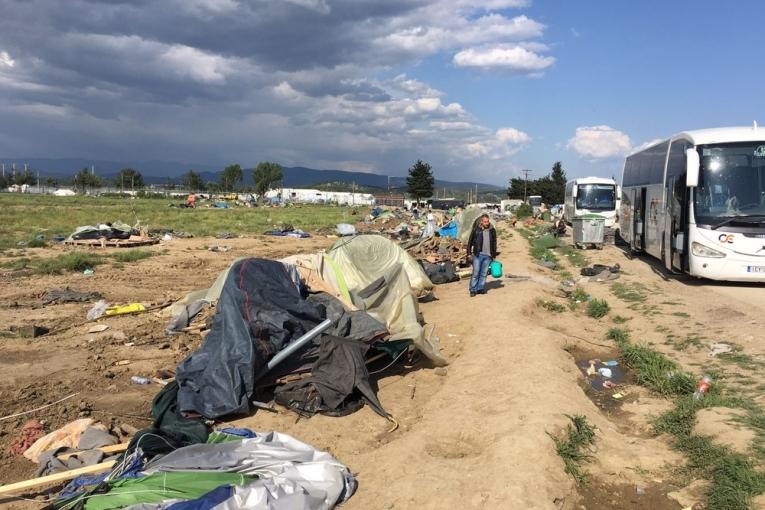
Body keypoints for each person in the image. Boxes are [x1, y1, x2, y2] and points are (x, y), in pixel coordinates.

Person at [466, 214, 497, 297]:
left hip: (488, 256)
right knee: (476, 273)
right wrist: (468, 253)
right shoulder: (476, 230)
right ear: (481, 222)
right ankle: (473, 289)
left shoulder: (492, 230)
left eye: (487, 221)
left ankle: (480, 288)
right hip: (478, 254)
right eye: (485, 221)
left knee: (484, 273)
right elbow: (470, 242)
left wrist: (493, 254)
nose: (486, 223)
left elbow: (494, 243)